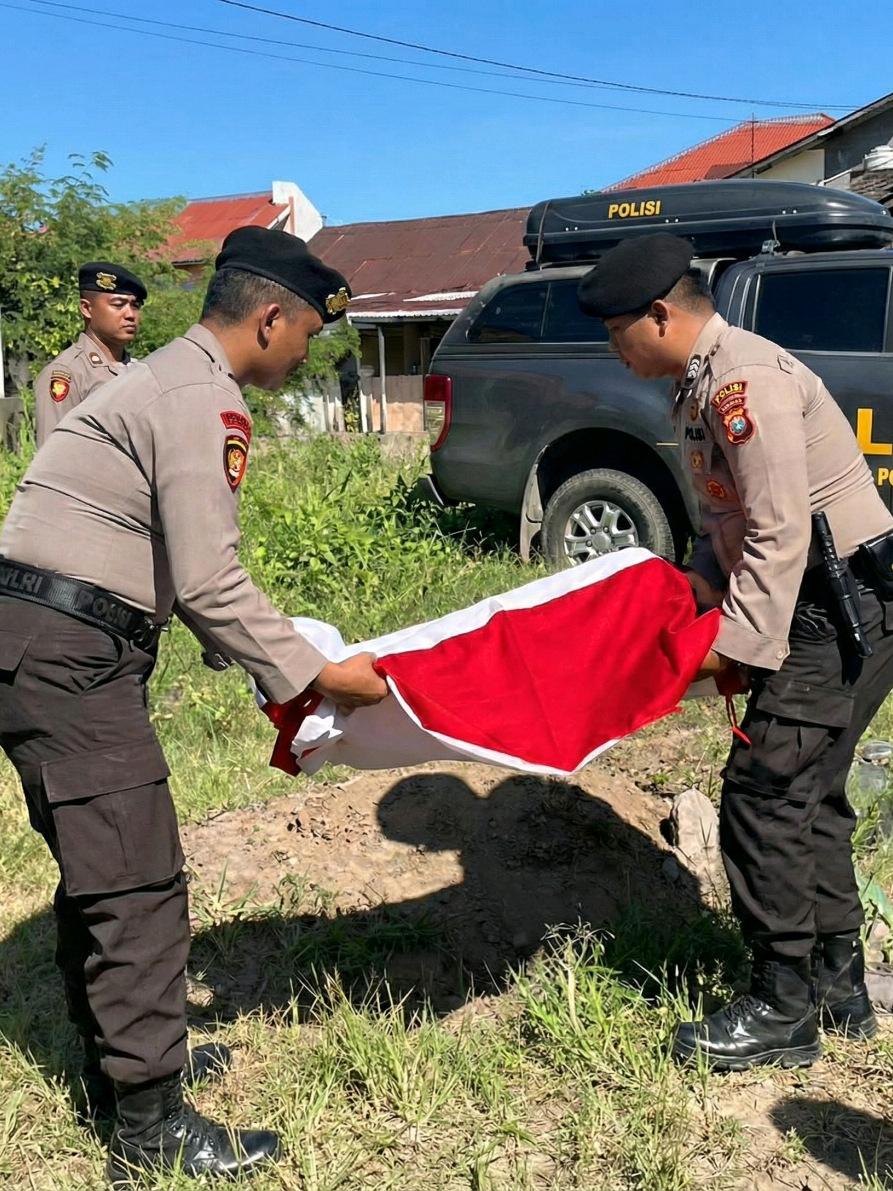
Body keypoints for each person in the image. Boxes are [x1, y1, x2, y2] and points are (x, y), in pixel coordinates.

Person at [0, 225, 388, 1186]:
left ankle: (122, 1063)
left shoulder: (159, 380)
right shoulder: (199, 396)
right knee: (136, 877)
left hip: (45, 635)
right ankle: (148, 1119)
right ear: (269, 317)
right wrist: (318, 674)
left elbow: (177, 570)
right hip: (68, 651)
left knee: (102, 861)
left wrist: (256, 655)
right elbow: (213, 580)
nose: (303, 358)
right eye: (305, 337)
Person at [577, 233, 893, 1071]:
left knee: (763, 791)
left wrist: (739, 651)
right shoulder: (701, 382)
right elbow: (731, 524)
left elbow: (782, 531)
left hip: (836, 604)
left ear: (659, 314)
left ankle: (781, 1005)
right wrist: (686, 596)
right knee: (812, 787)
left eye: (618, 335)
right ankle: (836, 984)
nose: (614, 352)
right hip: (822, 597)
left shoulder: (742, 381)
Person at [34, 262, 147, 447]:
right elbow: (52, 455)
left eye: (135, 306)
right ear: (87, 308)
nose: (130, 315)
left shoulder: (139, 370)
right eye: (118, 305)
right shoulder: (69, 373)